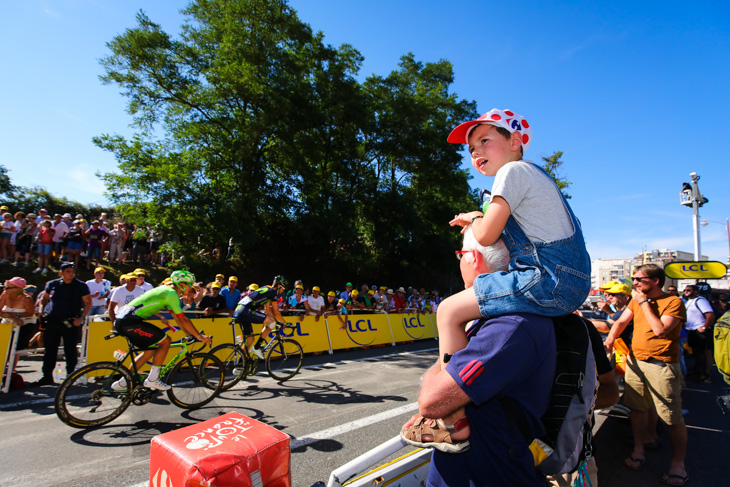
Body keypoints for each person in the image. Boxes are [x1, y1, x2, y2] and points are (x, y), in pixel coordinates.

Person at [400, 226, 556, 485]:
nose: (460, 261)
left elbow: (432, 401)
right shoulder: (501, 318)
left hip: (489, 475)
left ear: (472, 257)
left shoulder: (510, 326)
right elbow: (445, 382)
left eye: (460, 254)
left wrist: (448, 316)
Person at [604, 264, 688, 486]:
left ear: (656, 281)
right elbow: (621, 321)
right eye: (634, 279)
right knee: (637, 408)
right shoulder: (636, 299)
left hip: (661, 365)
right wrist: (610, 341)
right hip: (635, 362)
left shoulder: (674, 302)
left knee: (672, 417)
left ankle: (678, 463)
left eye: (640, 279)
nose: (635, 283)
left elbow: (660, 329)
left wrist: (643, 302)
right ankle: (639, 449)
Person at [111, 270, 212, 391]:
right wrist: (199, 336)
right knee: (165, 340)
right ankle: (153, 380)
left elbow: (176, 316)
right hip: (130, 321)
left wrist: (188, 333)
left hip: (125, 320)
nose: (191, 288)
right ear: (182, 284)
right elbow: (183, 318)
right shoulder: (171, 294)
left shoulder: (167, 290)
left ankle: (123, 383)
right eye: (190, 285)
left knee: (149, 351)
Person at [32, 262, 92, 387]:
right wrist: (41, 309)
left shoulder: (80, 286)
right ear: (62, 273)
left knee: (70, 350)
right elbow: (44, 298)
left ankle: (70, 376)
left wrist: (81, 318)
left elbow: (88, 303)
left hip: (70, 322)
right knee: (50, 351)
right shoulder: (52, 284)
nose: (71, 273)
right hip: (52, 321)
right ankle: (47, 376)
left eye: (72, 271)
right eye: (68, 271)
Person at [232, 275, 288, 358]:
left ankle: (240, 364)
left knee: (250, 339)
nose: (282, 291)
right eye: (283, 288)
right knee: (271, 322)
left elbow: (267, 309)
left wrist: (275, 321)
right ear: (279, 286)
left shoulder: (266, 288)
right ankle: (257, 348)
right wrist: (284, 323)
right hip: (246, 310)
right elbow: (276, 312)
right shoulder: (273, 292)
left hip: (239, 310)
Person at [0, 277, 37, 375]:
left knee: (14, 348)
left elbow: (31, 313)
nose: (4, 289)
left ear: (17, 289)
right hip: (8, 323)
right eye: (5, 287)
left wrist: (14, 316)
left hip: (24, 324)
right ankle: (2, 369)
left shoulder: (27, 299)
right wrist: (12, 317)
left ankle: (11, 371)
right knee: (3, 346)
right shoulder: (4, 295)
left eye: (8, 288)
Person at [682, 284, 715, 383]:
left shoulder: (700, 300)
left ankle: (706, 375)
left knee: (706, 353)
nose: (686, 291)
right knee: (698, 353)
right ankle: (699, 372)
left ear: (696, 291)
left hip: (701, 331)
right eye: (685, 290)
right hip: (691, 331)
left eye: (689, 290)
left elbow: (710, 315)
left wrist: (704, 327)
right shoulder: (689, 301)